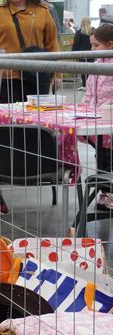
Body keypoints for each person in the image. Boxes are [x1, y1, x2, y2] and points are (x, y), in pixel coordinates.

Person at [0, 0, 59, 104]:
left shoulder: (43, 12)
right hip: (4, 77)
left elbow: (52, 45)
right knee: (8, 116)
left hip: (35, 75)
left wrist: (57, 74)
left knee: (34, 116)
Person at [81, 23, 113, 210]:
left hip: (109, 119)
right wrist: (85, 109)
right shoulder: (96, 65)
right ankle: (105, 192)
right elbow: (89, 92)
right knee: (102, 156)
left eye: (96, 45)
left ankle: (107, 192)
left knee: (107, 158)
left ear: (110, 45)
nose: (92, 49)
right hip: (97, 120)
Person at [73, 16, 94, 90]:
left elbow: (76, 44)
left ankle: (85, 85)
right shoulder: (93, 31)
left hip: (81, 54)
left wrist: (73, 54)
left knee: (83, 70)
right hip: (93, 53)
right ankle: (92, 84)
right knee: (92, 69)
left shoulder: (79, 32)